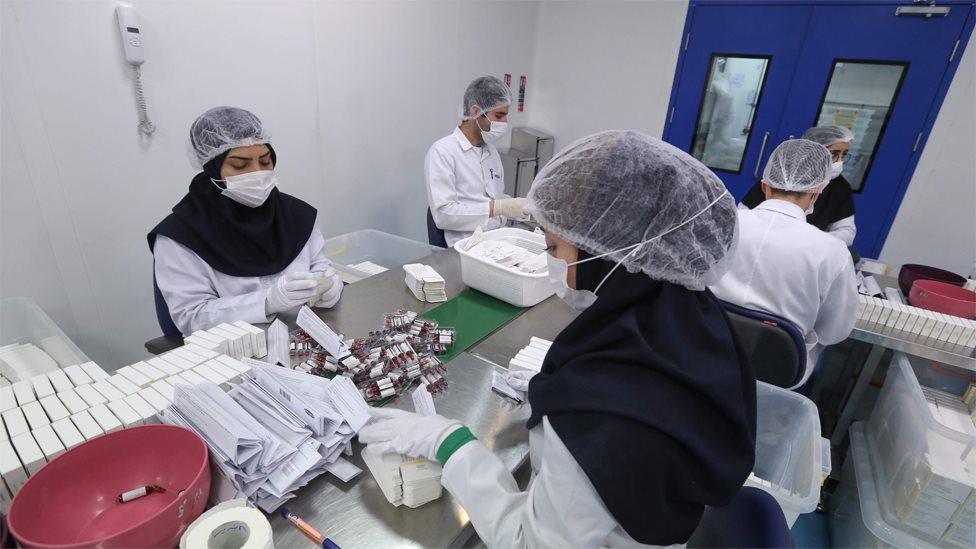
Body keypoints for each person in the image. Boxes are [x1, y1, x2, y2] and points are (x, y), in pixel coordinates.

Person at [362, 131, 757, 547]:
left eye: (553, 245)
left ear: (608, 255)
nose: (548, 260)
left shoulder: (600, 421)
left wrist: (450, 444)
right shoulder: (695, 315)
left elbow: (526, 542)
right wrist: (556, 388)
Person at [148, 106, 342, 336]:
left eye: (265, 160)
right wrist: (266, 302)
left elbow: (319, 265)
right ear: (213, 167)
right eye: (240, 165)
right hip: (234, 353)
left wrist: (328, 284)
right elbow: (192, 317)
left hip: (305, 335)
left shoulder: (295, 215)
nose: (257, 173)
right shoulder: (181, 236)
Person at [711, 139, 858, 388]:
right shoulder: (832, 252)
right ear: (817, 191)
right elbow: (835, 331)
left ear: (764, 186)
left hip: (703, 348)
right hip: (774, 373)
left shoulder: (722, 222)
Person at [425, 76, 527, 247]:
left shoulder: (491, 152)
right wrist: (496, 208)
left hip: (496, 241)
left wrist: (525, 208)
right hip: (464, 247)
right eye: (499, 115)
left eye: (506, 116)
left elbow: (497, 199)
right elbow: (444, 215)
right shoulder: (443, 152)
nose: (505, 122)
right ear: (474, 112)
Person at [740, 125, 857, 246]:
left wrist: (809, 240)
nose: (840, 161)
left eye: (844, 155)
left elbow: (846, 232)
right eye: (834, 154)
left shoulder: (840, 187)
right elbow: (743, 213)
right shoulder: (782, 175)